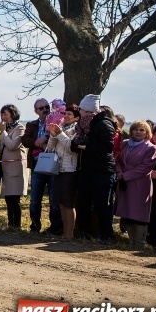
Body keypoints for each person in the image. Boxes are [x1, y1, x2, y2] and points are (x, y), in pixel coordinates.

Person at [71, 94, 117, 242]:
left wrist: (85, 146)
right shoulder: (83, 126)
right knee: (82, 203)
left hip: (102, 170)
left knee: (102, 204)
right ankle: (84, 233)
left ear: (88, 111)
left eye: (82, 110)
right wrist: (77, 144)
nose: (80, 113)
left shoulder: (104, 124)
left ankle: (106, 235)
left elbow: (107, 147)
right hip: (86, 169)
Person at [114, 120, 156, 248]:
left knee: (138, 213)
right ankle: (130, 239)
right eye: (135, 129)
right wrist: (119, 172)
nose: (138, 132)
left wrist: (126, 176)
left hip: (139, 184)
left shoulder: (151, 148)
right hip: (124, 183)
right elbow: (118, 160)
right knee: (126, 211)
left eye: (141, 130)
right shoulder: (125, 144)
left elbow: (146, 167)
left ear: (147, 133)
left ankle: (139, 242)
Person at [23, 97, 62, 235]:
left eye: (47, 107)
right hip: (37, 163)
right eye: (41, 108)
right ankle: (34, 227)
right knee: (35, 198)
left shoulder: (57, 121)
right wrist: (38, 143)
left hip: (54, 162)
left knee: (53, 199)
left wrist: (45, 140)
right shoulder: (31, 124)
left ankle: (55, 228)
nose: (45, 110)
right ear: (36, 111)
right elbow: (25, 140)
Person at [47, 104, 80, 239]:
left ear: (77, 118)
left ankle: (69, 233)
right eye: (65, 114)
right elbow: (49, 148)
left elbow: (71, 148)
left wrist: (60, 135)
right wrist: (53, 135)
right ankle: (64, 232)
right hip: (58, 168)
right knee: (60, 203)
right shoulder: (62, 129)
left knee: (68, 203)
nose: (65, 116)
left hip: (70, 169)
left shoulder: (77, 130)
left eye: (69, 114)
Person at [0, 104, 28, 229]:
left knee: (15, 199)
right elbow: (3, 146)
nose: (3, 117)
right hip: (6, 167)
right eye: (2, 114)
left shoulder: (19, 128)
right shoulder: (5, 129)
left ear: (13, 114)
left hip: (15, 168)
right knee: (8, 199)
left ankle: (17, 226)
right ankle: (11, 225)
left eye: (5, 114)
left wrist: (3, 131)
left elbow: (12, 145)